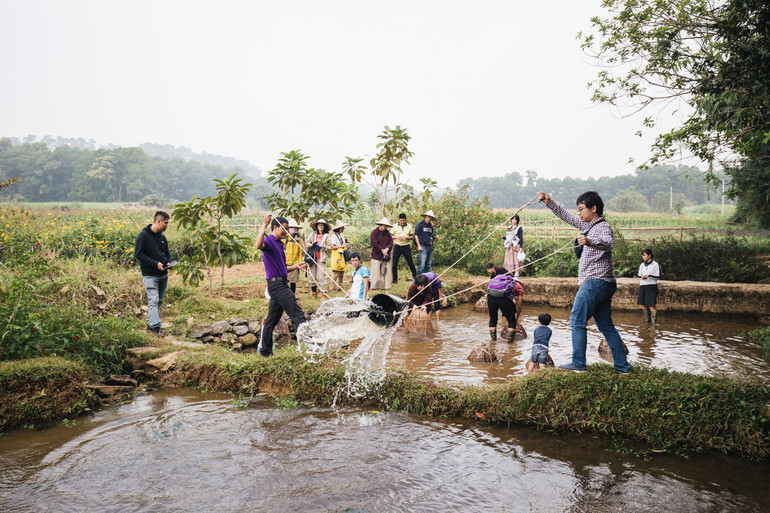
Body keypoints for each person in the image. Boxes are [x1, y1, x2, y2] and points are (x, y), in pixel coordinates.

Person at [538, 190, 631, 373]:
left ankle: (578, 363)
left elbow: (608, 242)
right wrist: (549, 202)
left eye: (582, 209)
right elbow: (567, 217)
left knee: (576, 319)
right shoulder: (588, 225)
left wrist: (588, 241)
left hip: (595, 283)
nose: (579, 213)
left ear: (593, 208)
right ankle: (622, 366)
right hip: (605, 284)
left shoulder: (601, 227)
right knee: (606, 325)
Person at [256, 214, 307, 357]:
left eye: (287, 229)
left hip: (280, 283)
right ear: (275, 228)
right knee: (297, 314)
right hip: (277, 286)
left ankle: (265, 353)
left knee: (271, 321)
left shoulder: (280, 244)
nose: (286, 232)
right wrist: (263, 226)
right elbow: (258, 245)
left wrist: (296, 266)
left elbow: (282, 268)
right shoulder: (270, 241)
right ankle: (310, 347)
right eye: (284, 229)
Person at [134, 211, 172, 336]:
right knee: (153, 300)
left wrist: (168, 263)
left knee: (159, 300)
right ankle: (156, 327)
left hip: (163, 274)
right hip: (150, 274)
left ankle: (151, 324)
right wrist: (155, 264)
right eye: (166, 223)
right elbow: (139, 255)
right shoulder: (143, 236)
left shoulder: (162, 237)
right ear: (158, 221)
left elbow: (166, 254)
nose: (167, 226)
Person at [486, 270, 524, 342]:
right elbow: (519, 305)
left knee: (493, 318)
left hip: (491, 297)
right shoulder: (519, 287)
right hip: (503, 298)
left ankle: (493, 341)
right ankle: (510, 344)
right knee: (511, 320)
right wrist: (516, 319)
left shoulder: (498, 278)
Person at [306, 219, 331, 299]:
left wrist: (323, 246)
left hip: (321, 258)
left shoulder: (326, 236)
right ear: (316, 226)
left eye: (322, 225)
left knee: (322, 276)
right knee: (312, 276)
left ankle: (323, 293)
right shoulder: (312, 234)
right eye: (319, 225)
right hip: (312, 257)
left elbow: (331, 247)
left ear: (324, 227)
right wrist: (311, 245)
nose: (320, 226)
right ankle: (314, 293)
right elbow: (307, 243)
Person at [390, 213, 417, 284]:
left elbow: (412, 236)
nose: (402, 222)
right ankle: (395, 280)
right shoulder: (394, 226)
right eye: (401, 220)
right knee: (394, 263)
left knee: (410, 262)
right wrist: (397, 237)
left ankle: (415, 276)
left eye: (404, 220)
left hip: (406, 246)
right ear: (398, 220)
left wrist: (407, 237)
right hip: (397, 246)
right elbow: (390, 236)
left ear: (405, 220)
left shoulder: (409, 226)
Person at [370, 217, 394, 290]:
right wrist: (382, 249)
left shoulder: (387, 233)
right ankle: (375, 286)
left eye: (386, 226)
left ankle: (385, 286)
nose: (385, 227)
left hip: (386, 255)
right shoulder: (374, 233)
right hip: (377, 255)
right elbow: (374, 243)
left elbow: (391, 242)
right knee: (376, 271)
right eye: (384, 225)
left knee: (386, 271)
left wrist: (387, 249)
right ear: (380, 225)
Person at [638, 248, 661, 324]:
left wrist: (649, 275)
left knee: (652, 306)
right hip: (643, 285)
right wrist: (642, 277)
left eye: (644, 255)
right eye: (642, 255)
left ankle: (654, 323)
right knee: (644, 305)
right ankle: (647, 322)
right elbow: (639, 275)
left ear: (649, 255)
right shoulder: (642, 265)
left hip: (651, 286)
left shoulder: (655, 264)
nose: (643, 257)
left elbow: (658, 276)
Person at [328, 220, 349, 293]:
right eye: (342, 227)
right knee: (335, 272)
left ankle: (340, 286)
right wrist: (342, 246)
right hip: (336, 255)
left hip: (341, 254)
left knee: (341, 271)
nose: (343, 228)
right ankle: (332, 288)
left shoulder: (341, 235)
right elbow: (333, 246)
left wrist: (345, 244)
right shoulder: (334, 236)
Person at [284, 218, 304, 294]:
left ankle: (292, 295)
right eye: (291, 227)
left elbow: (300, 252)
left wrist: (299, 262)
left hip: (295, 263)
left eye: (294, 228)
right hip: (286, 263)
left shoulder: (298, 239)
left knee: (293, 282)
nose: (293, 229)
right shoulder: (285, 237)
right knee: (285, 281)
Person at [414, 210, 436, 274]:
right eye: (428, 217)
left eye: (431, 218)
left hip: (429, 246)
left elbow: (430, 235)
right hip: (423, 246)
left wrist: (432, 238)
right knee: (422, 265)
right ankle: (418, 280)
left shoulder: (431, 226)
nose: (429, 219)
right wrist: (419, 246)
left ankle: (426, 280)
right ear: (425, 216)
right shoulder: (420, 225)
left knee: (428, 265)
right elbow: (416, 236)